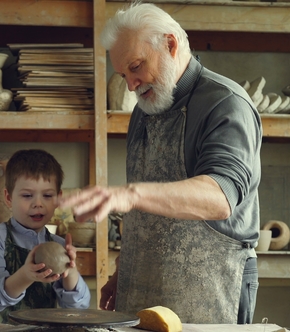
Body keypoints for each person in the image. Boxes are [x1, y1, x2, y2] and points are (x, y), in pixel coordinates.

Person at [59, 1, 262, 325]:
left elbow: (221, 196)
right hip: (143, 285)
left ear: (170, 44)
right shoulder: (144, 111)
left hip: (209, 285)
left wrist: (129, 194)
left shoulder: (225, 103)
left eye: (136, 67)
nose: (130, 85)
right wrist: (122, 271)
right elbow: (143, 212)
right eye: (124, 74)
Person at [0, 149, 91, 323]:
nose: (38, 204)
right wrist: (26, 276)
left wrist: (70, 269)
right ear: (8, 198)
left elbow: (77, 308)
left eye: (47, 195)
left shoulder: (58, 245)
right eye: (27, 195)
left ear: (58, 199)